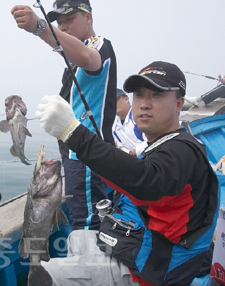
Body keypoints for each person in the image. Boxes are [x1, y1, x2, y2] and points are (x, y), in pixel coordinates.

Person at [36, 61, 219, 286]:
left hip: (156, 270)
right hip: (144, 244)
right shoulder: (164, 144)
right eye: (139, 96)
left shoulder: (183, 150)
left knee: (43, 274)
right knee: (76, 238)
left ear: (179, 104)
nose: (145, 104)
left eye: (157, 95)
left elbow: (146, 181)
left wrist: (72, 132)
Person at [11, 0, 117, 231]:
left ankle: (94, 263)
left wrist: (40, 27)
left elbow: (89, 58)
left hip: (88, 155)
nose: (63, 26)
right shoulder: (74, 59)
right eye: (59, 22)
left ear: (88, 17)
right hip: (73, 152)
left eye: (69, 20)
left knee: (88, 222)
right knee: (82, 215)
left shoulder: (98, 46)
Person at [113, 88, 147, 157]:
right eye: (110, 102)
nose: (113, 104)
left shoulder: (140, 116)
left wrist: (133, 153)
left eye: (116, 100)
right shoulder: (115, 128)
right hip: (137, 162)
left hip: (153, 157)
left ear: (126, 99)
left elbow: (151, 140)